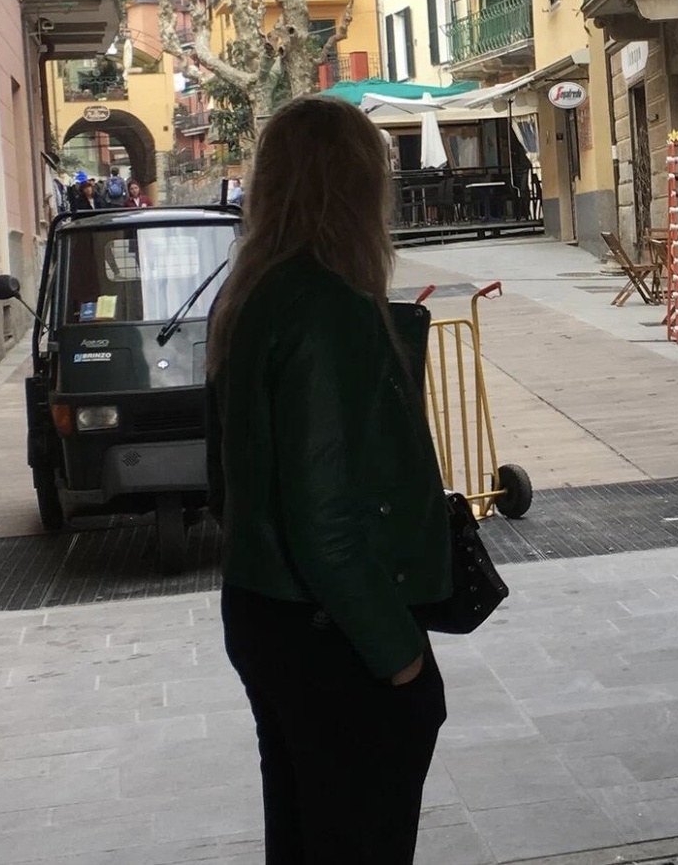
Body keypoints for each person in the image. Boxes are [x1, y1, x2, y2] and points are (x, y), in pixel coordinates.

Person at [205, 95, 451, 865]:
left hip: (265, 612)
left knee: (304, 836)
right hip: (331, 631)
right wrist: (401, 657)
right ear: (354, 185)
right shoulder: (326, 308)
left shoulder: (249, 298)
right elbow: (324, 521)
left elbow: (225, 483)